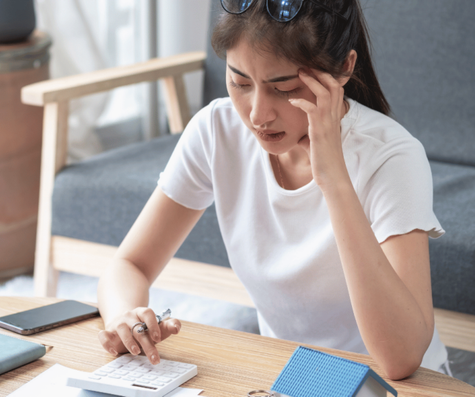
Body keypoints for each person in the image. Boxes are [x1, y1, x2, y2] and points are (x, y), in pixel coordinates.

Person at [96, 0, 449, 380]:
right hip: (296, 377)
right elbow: (129, 264)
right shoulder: (217, 131)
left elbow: (402, 359)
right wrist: (124, 318)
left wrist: (334, 181)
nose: (257, 114)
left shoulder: (390, 156)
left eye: (285, 89)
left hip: (395, 384)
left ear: (344, 68)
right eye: (240, 83)